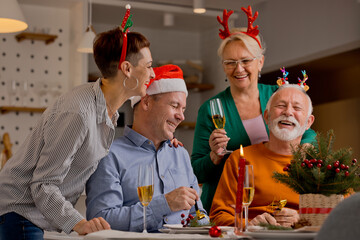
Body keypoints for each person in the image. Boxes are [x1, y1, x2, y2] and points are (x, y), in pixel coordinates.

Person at [0, 6, 156, 239]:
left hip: (34, 215)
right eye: (149, 66)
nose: (153, 75)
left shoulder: (107, 112)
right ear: (127, 69)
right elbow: (43, 185)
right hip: (20, 212)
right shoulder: (79, 113)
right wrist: (79, 223)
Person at [191, 6, 316, 213]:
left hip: (275, 200)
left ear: (260, 62)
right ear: (223, 66)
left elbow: (307, 130)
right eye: (230, 62)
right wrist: (214, 156)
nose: (238, 69)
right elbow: (196, 171)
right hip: (228, 206)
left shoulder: (279, 95)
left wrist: (306, 147)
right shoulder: (210, 109)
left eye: (246, 60)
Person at [86, 64, 208, 232]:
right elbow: (101, 220)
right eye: (174, 106)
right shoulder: (109, 155)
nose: (181, 116)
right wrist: (164, 204)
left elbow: (198, 215)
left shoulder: (180, 154)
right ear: (147, 102)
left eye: (183, 108)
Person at [209, 84, 315, 227]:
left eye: (297, 108)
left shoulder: (323, 165)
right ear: (266, 116)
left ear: (308, 122)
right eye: (281, 106)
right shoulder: (240, 159)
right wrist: (248, 224)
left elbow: (347, 213)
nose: (288, 112)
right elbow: (218, 216)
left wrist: (303, 220)